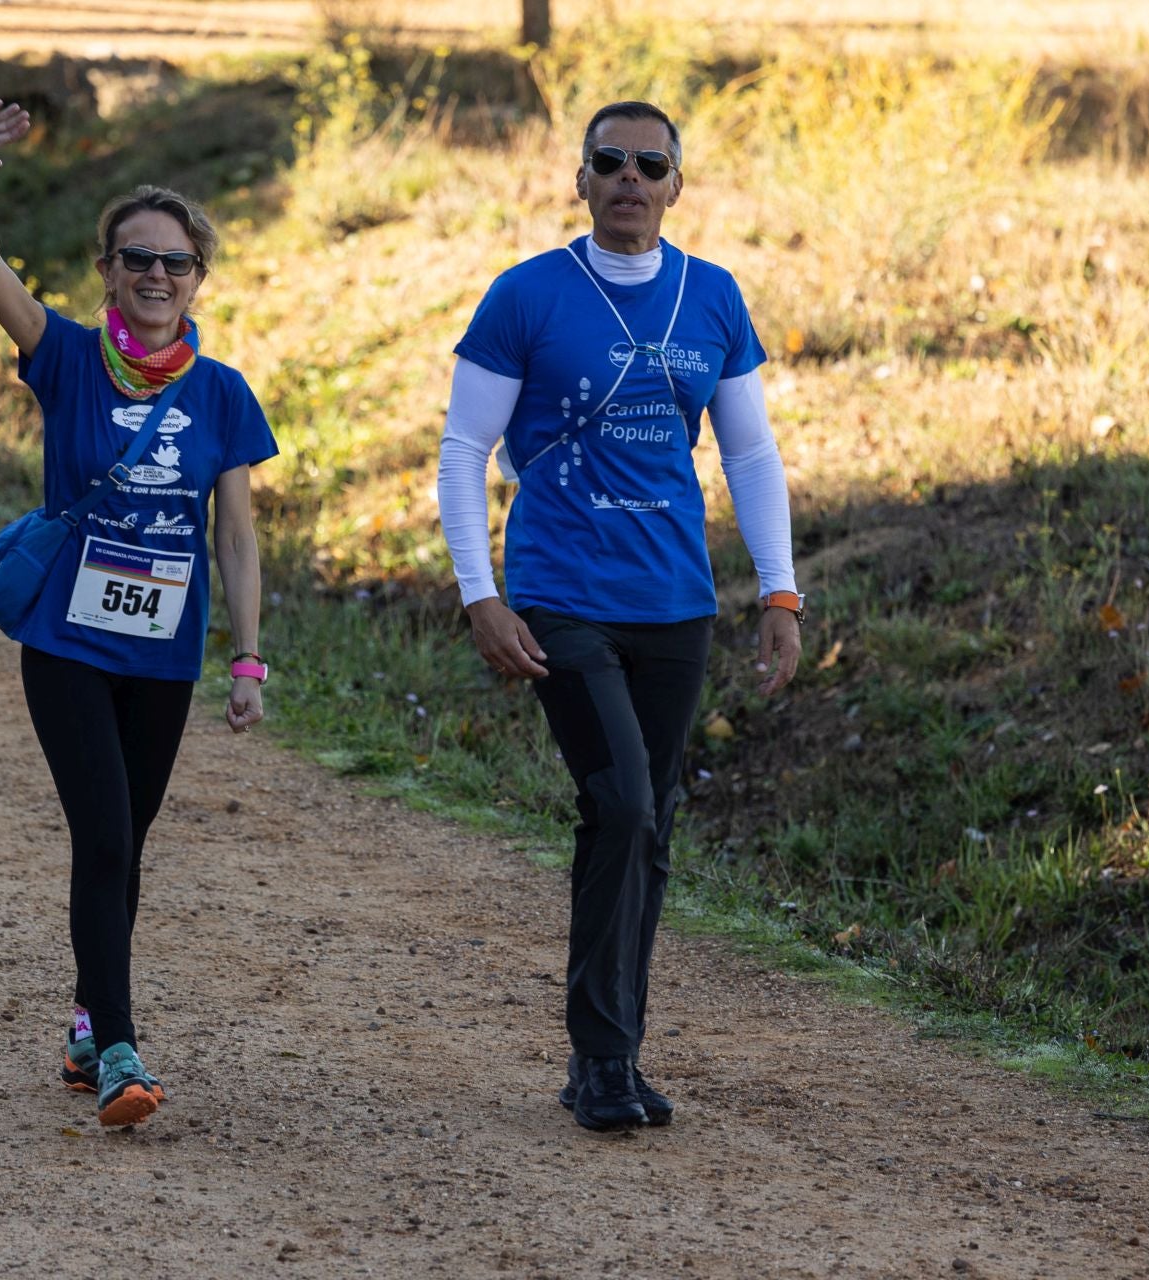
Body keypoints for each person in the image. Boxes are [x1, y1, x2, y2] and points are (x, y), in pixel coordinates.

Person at [436, 100, 803, 1132]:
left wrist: (779, 592)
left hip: (675, 603)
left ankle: (617, 1055)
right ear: (582, 179)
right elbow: (465, 453)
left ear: (678, 183)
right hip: (561, 597)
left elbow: (750, 455)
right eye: (610, 162)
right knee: (627, 803)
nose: (630, 177)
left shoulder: (713, 296)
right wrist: (480, 593)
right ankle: (600, 1057)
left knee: (649, 826)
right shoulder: (527, 297)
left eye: (651, 162)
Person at [0, 100, 278, 1127]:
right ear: (108, 270)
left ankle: (90, 1017)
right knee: (102, 835)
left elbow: (237, 534)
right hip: (70, 643)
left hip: (164, 656)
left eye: (176, 264)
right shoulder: (67, 356)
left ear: (198, 278)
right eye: (138, 259)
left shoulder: (220, 393)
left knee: (126, 842)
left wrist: (249, 657)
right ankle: (122, 1047)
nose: (156, 276)